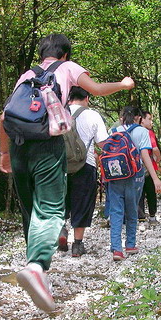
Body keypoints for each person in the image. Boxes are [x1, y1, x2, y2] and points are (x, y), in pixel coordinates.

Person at [0, 33, 134, 312]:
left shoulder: (27, 75)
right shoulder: (67, 68)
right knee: (49, 209)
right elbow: (94, 89)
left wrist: (5, 153)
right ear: (65, 55)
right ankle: (36, 268)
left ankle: (39, 275)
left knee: (31, 212)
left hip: (19, 147)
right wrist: (123, 84)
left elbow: (4, 117)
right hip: (47, 145)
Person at [108, 107, 161, 262]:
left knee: (116, 211)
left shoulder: (113, 130)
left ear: (122, 117)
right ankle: (131, 244)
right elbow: (145, 155)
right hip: (135, 176)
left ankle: (116, 249)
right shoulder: (142, 132)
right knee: (132, 208)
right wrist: (155, 178)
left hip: (115, 176)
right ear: (138, 118)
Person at [62, 86, 109, 257]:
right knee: (82, 203)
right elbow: (103, 143)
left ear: (68, 97)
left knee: (60, 203)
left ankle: (61, 229)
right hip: (86, 165)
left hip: (60, 166)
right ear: (87, 98)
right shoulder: (92, 115)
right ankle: (77, 245)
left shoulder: (59, 112)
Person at [138, 111, 161, 223]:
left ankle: (140, 216)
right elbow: (155, 149)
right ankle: (152, 216)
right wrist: (158, 158)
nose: (151, 122)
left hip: (135, 167)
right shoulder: (148, 132)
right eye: (149, 119)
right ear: (142, 119)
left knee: (139, 193)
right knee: (151, 191)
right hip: (149, 167)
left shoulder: (132, 131)